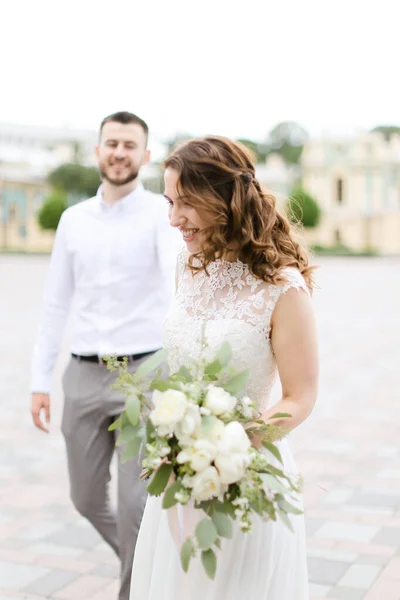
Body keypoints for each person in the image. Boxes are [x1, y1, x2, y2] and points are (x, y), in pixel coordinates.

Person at [129, 136, 319, 599]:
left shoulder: (282, 288)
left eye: (186, 204)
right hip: (181, 471)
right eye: (170, 202)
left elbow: (301, 395)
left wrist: (235, 443)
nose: (174, 219)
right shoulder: (186, 265)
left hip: (246, 473)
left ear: (223, 197)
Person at [30, 111, 182, 600]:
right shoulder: (73, 221)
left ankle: (134, 591)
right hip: (82, 373)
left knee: (138, 505)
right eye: (111, 143)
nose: (120, 152)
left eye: (130, 145)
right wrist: (40, 379)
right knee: (85, 497)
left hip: (143, 374)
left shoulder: (163, 214)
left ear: (146, 155)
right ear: (98, 151)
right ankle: (152, 569)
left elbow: (174, 285)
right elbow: (55, 304)